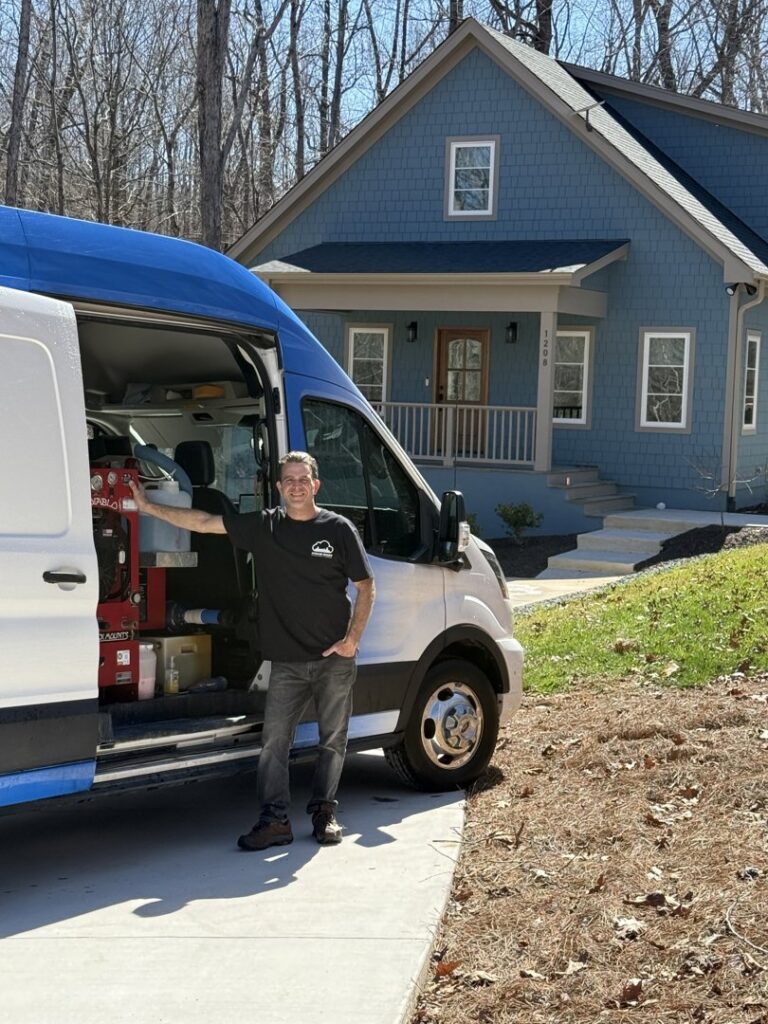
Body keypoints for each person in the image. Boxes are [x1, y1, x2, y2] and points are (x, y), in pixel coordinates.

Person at [129, 451, 375, 850]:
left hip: (335, 661)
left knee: (334, 739)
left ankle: (324, 813)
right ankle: (275, 820)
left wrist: (352, 641)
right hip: (287, 663)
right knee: (274, 744)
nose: (296, 485)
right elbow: (205, 523)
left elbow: (366, 586)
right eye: (288, 479)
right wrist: (147, 507)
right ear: (278, 488)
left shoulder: (338, 529)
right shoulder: (264, 527)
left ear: (316, 485)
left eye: (303, 479)